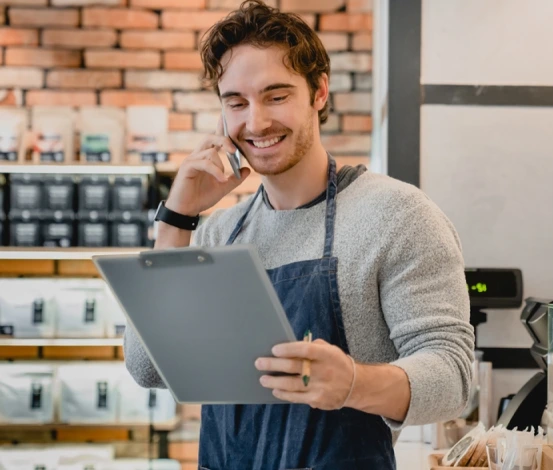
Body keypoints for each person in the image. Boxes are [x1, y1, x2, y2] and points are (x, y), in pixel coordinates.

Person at [123, 1, 475, 468]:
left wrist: (354, 383)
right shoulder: (219, 235)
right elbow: (147, 368)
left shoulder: (397, 214)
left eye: (276, 95)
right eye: (236, 102)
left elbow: (453, 377)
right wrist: (177, 219)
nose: (256, 122)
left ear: (319, 92)